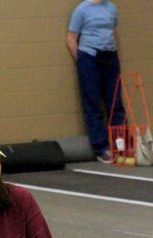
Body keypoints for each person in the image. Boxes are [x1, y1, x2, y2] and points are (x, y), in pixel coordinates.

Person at [66, 0, 126, 163]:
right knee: (93, 102)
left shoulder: (111, 7)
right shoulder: (82, 10)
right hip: (90, 57)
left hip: (110, 56)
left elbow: (112, 32)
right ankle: (102, 147)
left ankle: (122, 145)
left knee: (115, 102)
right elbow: (71, 38)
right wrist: (82, 62)